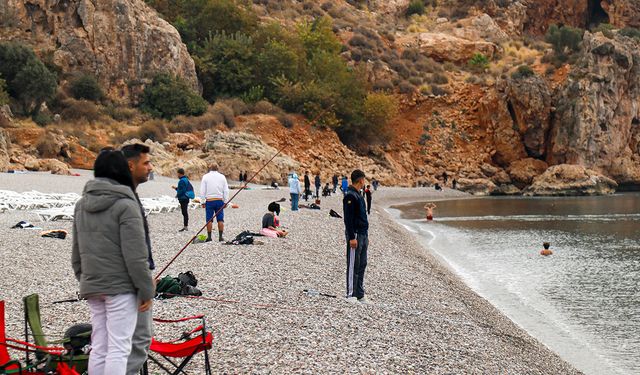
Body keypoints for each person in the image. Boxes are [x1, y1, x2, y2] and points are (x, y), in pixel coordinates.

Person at [72, 150, 154, 375]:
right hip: (120, 288)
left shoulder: (81, 204)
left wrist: (87, 280)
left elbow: (77, 255)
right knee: (119, 348)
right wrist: (146, 290)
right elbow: (136, 256)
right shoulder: (127, 205)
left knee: (100, 347)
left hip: (93, 285)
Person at [121, 143, 155, 375]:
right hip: (129, 283)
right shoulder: (126, 199)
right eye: (146, 163)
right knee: (138, 341)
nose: (150, 168)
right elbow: (134, 249)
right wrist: (144, 284)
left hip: (111, 281)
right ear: (130, 165)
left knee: (116, 343)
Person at [343, 169, 370, 304]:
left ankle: (360, 294)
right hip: (355, 235)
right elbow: (348, 219)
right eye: (364, 180)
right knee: (353, 264)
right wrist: (352, 237)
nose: (364, 182)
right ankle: (350, 294)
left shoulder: (359, 195)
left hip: (363, 234)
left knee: (362, 264)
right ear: (361, 180)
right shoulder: (350, 195)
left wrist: (366, 236)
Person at [200, 163, 229, 242]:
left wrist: (202, 202)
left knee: (209, 219)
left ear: (210, 168)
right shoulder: (222, 177)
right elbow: (226, 190)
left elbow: (202, 191)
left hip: (209, 201)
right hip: (219, 200)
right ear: (217, 168)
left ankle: (209, 237)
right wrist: (225, 201)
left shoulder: (205, 177)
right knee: (220, 219)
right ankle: (220, 237)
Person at [172, 168, 191, 232]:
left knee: (184, 212)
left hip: (183, 198)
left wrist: (177, 195)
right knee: (184, 212)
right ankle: (185, 226)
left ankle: (185, 226)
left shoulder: (182, 180)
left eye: (177, 173)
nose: (177, 175)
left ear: (180, 174)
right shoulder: (186, 179)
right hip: (186, 198)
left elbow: (182, 190)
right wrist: (176, 188)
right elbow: (183, 189)